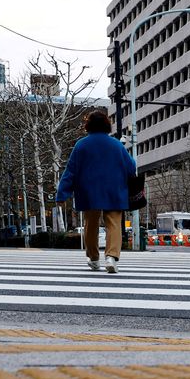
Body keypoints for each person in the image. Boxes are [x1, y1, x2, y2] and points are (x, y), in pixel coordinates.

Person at [56, 110, 137, 273]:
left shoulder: (81, 145)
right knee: (114, 223)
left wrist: (62, 194)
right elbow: (131, 166)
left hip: (89, 191)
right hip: (114, 190)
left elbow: (70, 172)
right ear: (107, 125)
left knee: (90, 225)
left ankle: (93, 258)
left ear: (89, 126)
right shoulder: (116, 145)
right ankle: (111, 257)